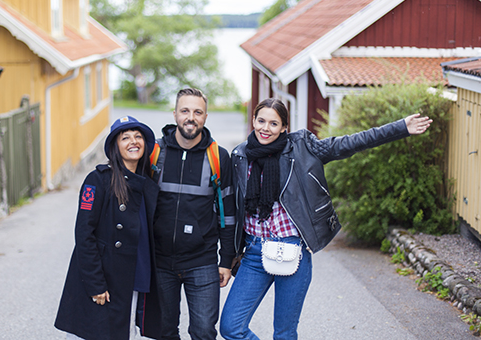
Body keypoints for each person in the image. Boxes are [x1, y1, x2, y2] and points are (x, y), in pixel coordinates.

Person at [219, 98, 433, 340]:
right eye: (261, 121)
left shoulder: (302, 147)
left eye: (273, 123)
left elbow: (350, 143)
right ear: (253, 121)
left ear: (284, 127)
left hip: (293, 253)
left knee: (285, 333)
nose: (265, 128)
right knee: (230, 327)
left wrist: (400, 127)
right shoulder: (239, 156)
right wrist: (228, 256)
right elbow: (231, 210)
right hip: (255, 253)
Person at [55, 116, 162, 340]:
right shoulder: (98, 180)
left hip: (132, 275)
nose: (133, 142)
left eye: (138, 136)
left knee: (124, 333)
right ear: (115, 145)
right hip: (103, 279)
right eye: (125, 138)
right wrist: (95, 283)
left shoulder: (146, 184)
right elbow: (84, 234)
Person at [152, 88, 236, 340]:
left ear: (206, 117)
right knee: (164, 331)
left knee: (203, 332)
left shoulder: (218, 157)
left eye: (197, 112)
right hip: (159, 261)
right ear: (175, 114)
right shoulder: (154, 153)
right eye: (185, 111)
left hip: (202, 261)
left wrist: (226, 260)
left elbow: (228, 214)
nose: (191, 117)